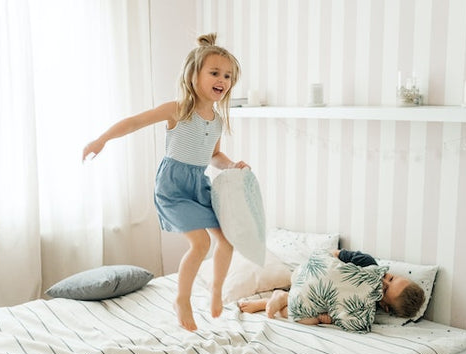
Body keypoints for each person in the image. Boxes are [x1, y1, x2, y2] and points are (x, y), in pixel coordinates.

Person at [82, 33, 248, 331]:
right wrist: (101, 139)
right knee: (200, 243)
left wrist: (232, 165)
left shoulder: (217, 119)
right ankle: (181, 299)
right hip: (173, 186)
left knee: (226, 241)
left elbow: (215, 155)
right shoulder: (179, 108)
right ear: (194, 74)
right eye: (214, 72)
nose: (222, 79)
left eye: (227, 75)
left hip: (199, 185)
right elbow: (135, 121)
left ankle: (215, 290)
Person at [239, 249, 425, 332]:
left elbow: (338, 315)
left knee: (307, 319)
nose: (383, 279)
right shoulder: (367, 263)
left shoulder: (365, 307)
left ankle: (275, 300)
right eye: (391, 277)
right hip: (309, 277)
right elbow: (334, 254)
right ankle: (280, 296)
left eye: (384, 289)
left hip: (312, 300)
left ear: (384, 306)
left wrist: (328, 319)